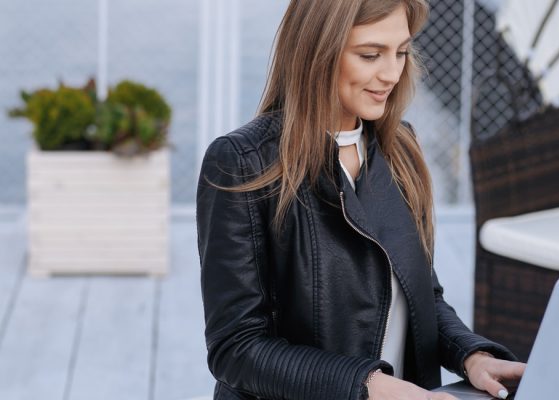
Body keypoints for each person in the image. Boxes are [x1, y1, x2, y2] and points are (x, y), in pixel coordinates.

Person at [196, 1, 525, 399]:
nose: (390, 73)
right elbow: (237, 348)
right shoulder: (240, 162)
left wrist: (471, 356)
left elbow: (421, 296)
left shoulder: (401, 150)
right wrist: (368, 385)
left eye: (401, 52)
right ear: (318, 51)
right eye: (370, 54)